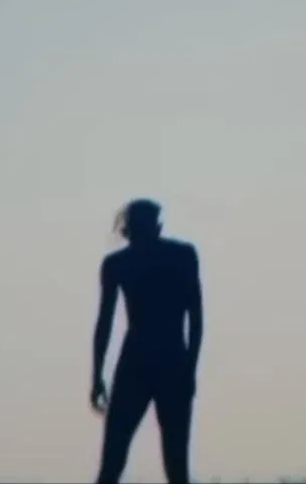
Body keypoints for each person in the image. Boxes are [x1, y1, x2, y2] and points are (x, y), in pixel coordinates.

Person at [90, 199, 203, 484]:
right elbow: (104, 323)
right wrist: (97, 375)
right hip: (156, 361)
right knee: (123, 461)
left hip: (149, 362)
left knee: (166, 463)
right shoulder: (124, 264)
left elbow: (196, 316)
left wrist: (189, 369)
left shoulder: (173, 257)